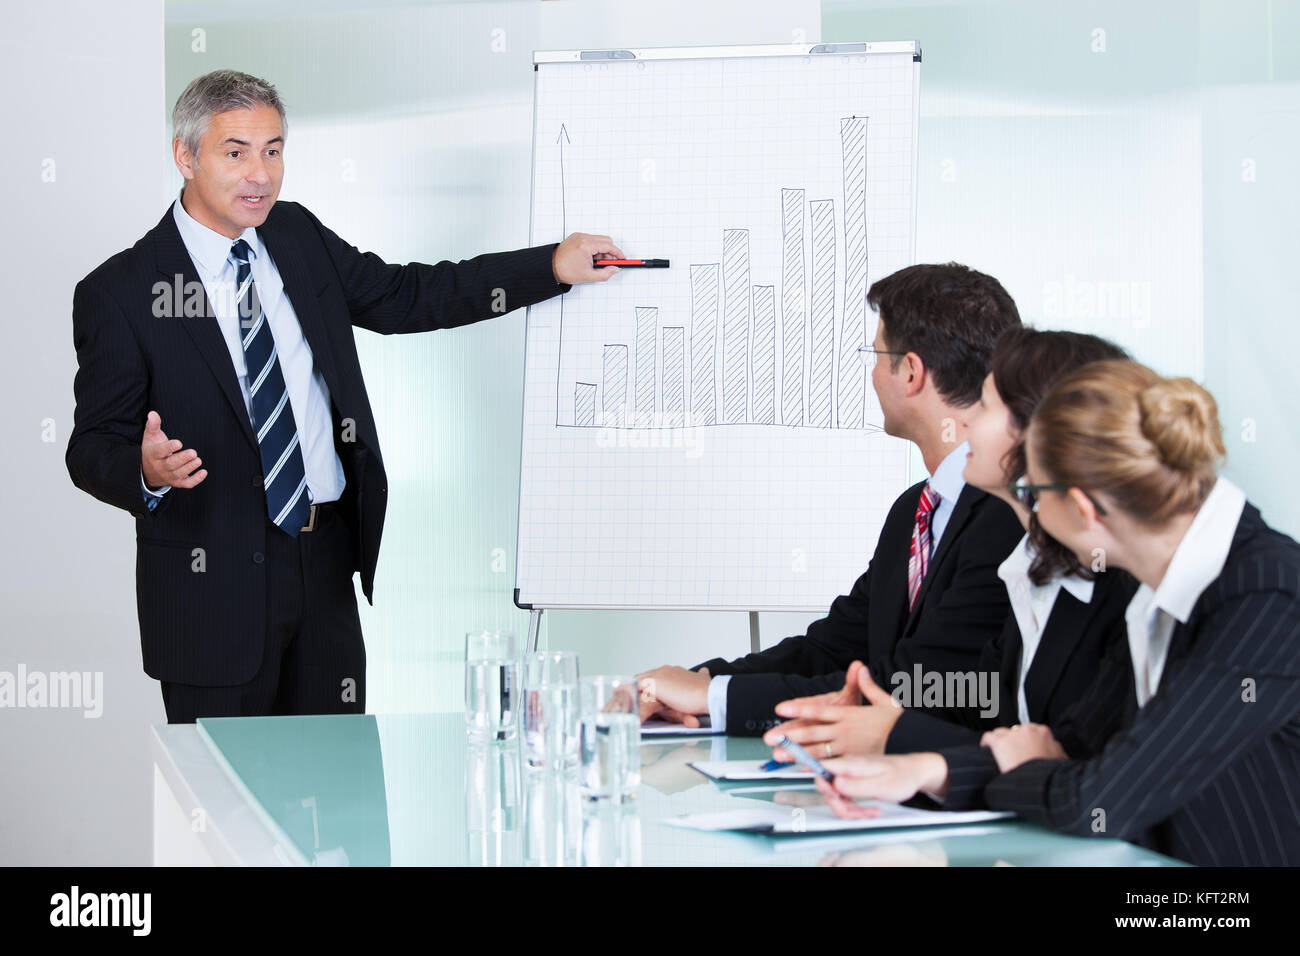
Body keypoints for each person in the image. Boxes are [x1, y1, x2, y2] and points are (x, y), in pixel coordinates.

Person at [66, 69, 623, 723]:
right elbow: (92, 445)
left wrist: (549, 266)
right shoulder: (122, 290)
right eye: (236, 152)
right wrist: (144, 467)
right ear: (185, 156)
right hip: (209, 593)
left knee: (334, 804)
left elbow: (408, 295)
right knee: (224, 813)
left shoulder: (295, 236)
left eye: (274, 150)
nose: (261, 175)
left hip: (323, 562)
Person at [814, 361, 1300, 866]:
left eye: (1032, 495)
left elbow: (1099, 800)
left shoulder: (1266, 594)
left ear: (1084, 509)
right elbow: (1076, 747)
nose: (1027, 517)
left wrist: (1021, 765)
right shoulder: (1158, 585)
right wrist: (928, 772)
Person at [638, 263, 1024, 738]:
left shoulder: (1011, 513)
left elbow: (923, 685)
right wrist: (703, 684)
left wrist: (714, 698)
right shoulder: (914, 511)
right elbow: (836, 647)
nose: (874, 374)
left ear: (910, 373)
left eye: (878, 355)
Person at [766, 328, 1139, 761]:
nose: (964, 421)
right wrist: (887, 727)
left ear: (1040, 432)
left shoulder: (1119, 586)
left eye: (987, 407)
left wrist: (900, 738)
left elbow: (1076, 766)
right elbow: (986, 711)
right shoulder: (1032, 568)